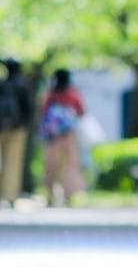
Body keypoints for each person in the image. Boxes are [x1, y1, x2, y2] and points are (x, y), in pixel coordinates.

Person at [0, 58, 33, 208]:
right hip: (16, 129)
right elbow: (28, 108)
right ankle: (10, 196)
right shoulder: (23, 85)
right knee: (13, 163)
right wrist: (22, 124)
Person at [39, 68, 86, 207]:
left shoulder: (50, 94)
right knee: (70, 165)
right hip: (68, 136)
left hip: (53, 137)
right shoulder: (73, 94)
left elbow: (42, 112)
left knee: (50, 166)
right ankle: (68, 196)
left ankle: (49, 195)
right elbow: (82, 112)